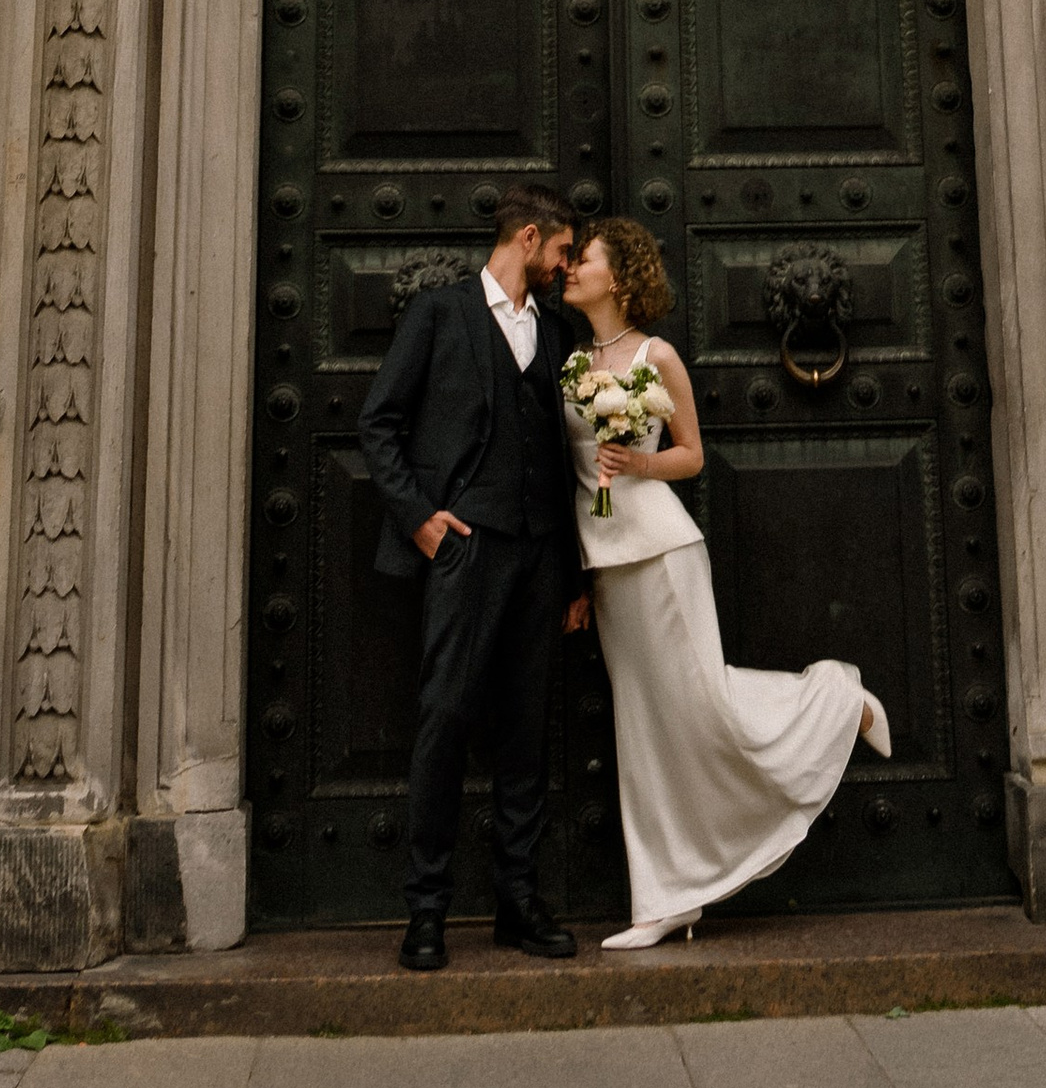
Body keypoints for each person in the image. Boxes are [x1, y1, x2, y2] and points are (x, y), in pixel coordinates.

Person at [563, 217, 887, 950]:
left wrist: (635, 462)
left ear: (617, 277)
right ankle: (668, 895)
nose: (571, 267)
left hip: (662, 549)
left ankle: (837, 699)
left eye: (584, 258)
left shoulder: (658, 355)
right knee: (641, 726)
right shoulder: (574, 359)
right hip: (605, 558)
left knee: (700, 699)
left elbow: (692, 456)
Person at [358, 184, 589, 973]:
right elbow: (377, 420)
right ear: (528, 238)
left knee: (526, 728)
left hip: (541, 554)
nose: (565, 266)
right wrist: (422, 519)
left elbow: (565, 458)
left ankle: (518, 902)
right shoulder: (439, 312)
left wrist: (576, 576)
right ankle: (426, 909)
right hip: (466, 548)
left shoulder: (555, 333)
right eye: (562, 251)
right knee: (445, 717)